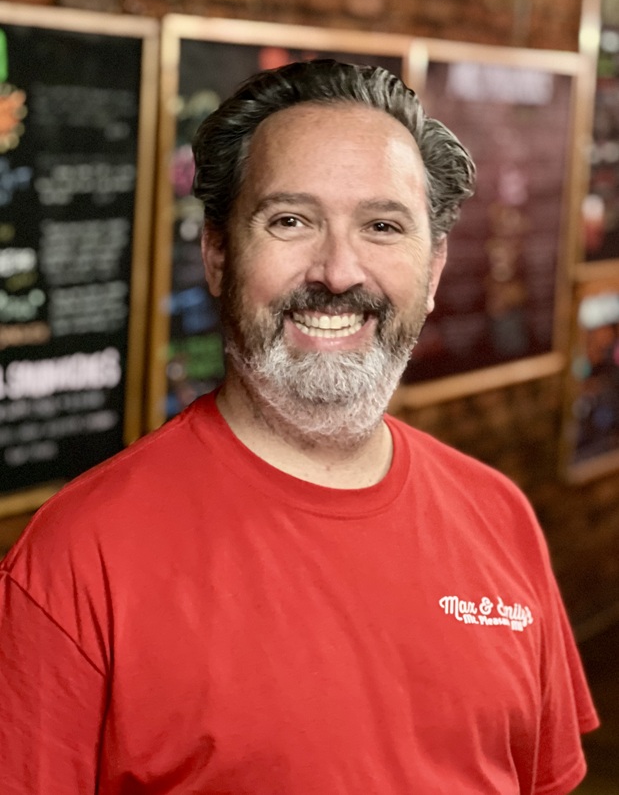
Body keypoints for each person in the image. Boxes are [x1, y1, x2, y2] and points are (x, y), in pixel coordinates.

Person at [0, 59, 598, 794]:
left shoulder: (498, 516)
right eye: (290, 221)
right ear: (217, 254)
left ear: (435, 269)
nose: (338, 272)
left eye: (382, 226)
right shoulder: (74, 561)